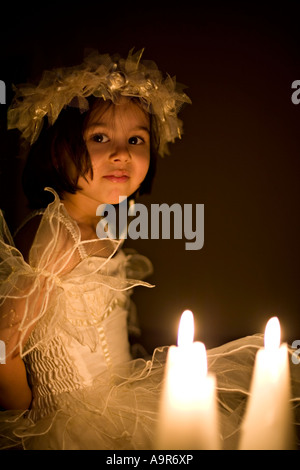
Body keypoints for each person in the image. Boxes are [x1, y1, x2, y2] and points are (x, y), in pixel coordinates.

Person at [0, 49, 299, 451]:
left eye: (136, 139)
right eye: (100, 137)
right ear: (58, 147)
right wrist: (30, 422)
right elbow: (5, 345)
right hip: (68, 425)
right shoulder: (56, 233)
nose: (121, 152)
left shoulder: (103, 225)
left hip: (123, 401)